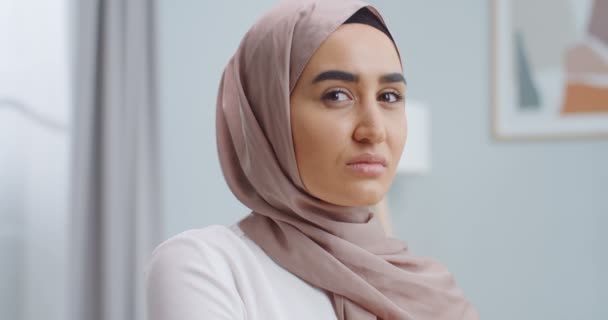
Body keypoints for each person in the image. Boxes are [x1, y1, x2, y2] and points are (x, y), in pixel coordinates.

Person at [146, 1, 478, 319]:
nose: (374, 130)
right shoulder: (207, 266)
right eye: (337, 95)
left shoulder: (430, 291)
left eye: (389, 96)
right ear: (268, 114)